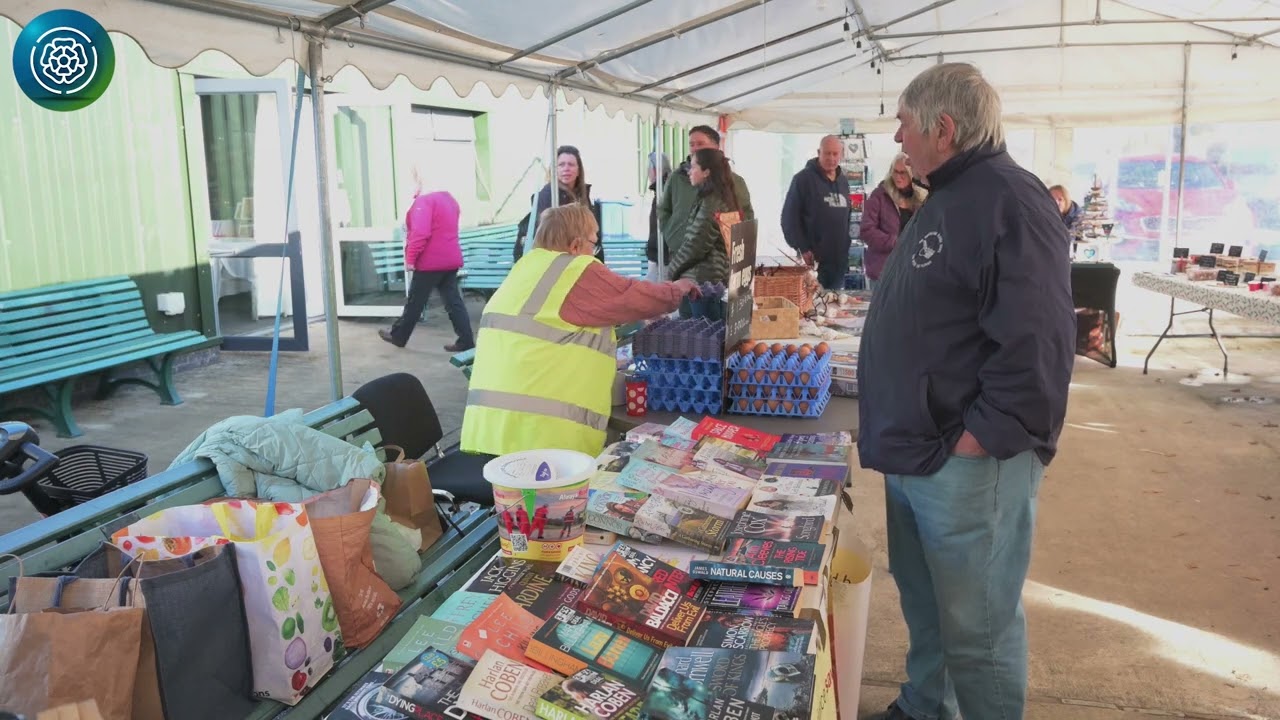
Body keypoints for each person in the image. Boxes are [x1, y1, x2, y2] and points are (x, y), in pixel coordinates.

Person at [857, 62, 1075, 720]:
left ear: (943, 128)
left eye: (904, 126)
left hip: (962, 460)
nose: (899, 140)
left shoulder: (1008, 198)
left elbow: (1038, 340)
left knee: (978, 630)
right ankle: (928, 705)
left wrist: (983, 438)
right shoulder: (954, 194)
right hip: (919, 446)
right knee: (929, 607)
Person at [462, 204, 699, 458]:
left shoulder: (526, 268)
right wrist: (679, 288)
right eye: (593, 244)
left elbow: (565, 318)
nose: (595, 253)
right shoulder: (573, 269)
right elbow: (631, 294)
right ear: (575, 246)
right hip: (539, 438)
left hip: (489, 430)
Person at [378, 171, 474, 351]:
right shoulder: (449, 199)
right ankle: (466, 340)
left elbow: (420, 233)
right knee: (454, 302)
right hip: (450, 260)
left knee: (415, 301)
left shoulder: (424, 202)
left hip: (430, 262)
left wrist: (410, 258)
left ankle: (399, 336)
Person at [659, 125, 754, 264]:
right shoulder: (677, 178)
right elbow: (663, 209)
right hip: (681, 255)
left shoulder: (734, 181)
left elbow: (745, 215)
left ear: (716, 146)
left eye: (700, 143)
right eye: (692, 144)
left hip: (717, 261)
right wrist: (672, 235)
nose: (695, 148)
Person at [667, 148, 737, 308]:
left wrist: (671, 272)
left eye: (693, 167)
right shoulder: (719, 197)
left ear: (706, 172)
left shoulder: (711, 203)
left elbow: (695, 244)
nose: (689, 172)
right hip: (712, 279)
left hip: (702, 283)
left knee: (698, 329)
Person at [781, 135, 852, 291]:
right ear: (819, 152)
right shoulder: (802, 180)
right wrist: (802, 248)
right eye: (827, 153)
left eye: (835, 154)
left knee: (833, 307)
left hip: (838, 261)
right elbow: (789, 219)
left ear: (841, 155)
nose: (831, 158)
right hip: (813, 261)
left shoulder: (843, 182)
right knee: (812, 308)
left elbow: (847, 219)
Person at [514, 145, 604, 265]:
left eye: (571, 164)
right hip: (556, 262)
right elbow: (550, 239)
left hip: (579, 258)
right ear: (554, 170)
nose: (566, 168)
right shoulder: (547, 195)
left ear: (578, 170)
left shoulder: (583, 196)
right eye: (561, 165)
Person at [860, 153, 927, 291]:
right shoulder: (879, 195)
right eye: (895, 172)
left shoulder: (922, 198)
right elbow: (866, 231)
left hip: (913, 270)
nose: (898, 177)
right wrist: (895, 242)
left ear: (912, 174)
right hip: (883, 270)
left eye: (903, 173)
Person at [646, 151, 673, 282]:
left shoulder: (664, 193)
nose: (647, 173)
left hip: (662, 257)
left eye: (648, 169)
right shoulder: (663, 190)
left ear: (655, 170)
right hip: (660, 255)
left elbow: (661, 225)